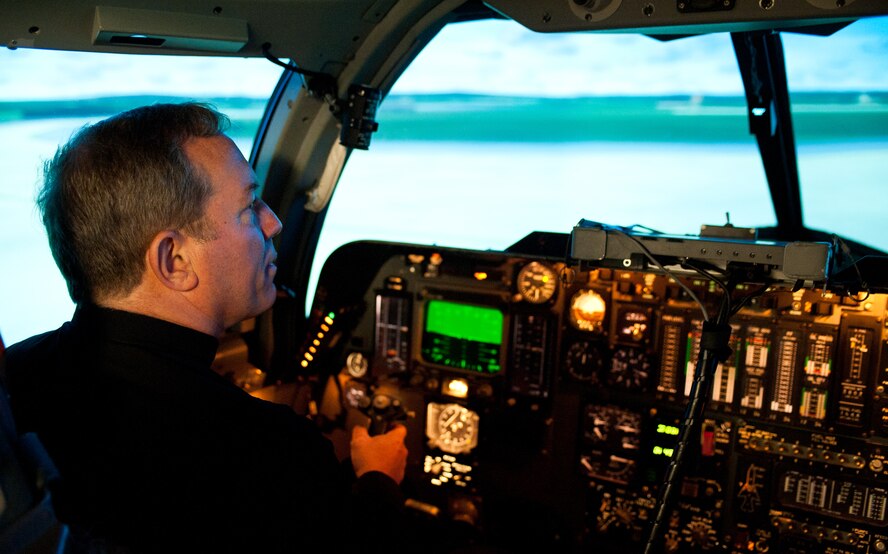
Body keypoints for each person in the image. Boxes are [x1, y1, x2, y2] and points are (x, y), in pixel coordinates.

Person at [2, 103, 408, 552]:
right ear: (174, 260)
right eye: (248, 208)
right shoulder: (271, 457)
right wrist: (379, 481)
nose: (274, 222)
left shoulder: (13, 380)